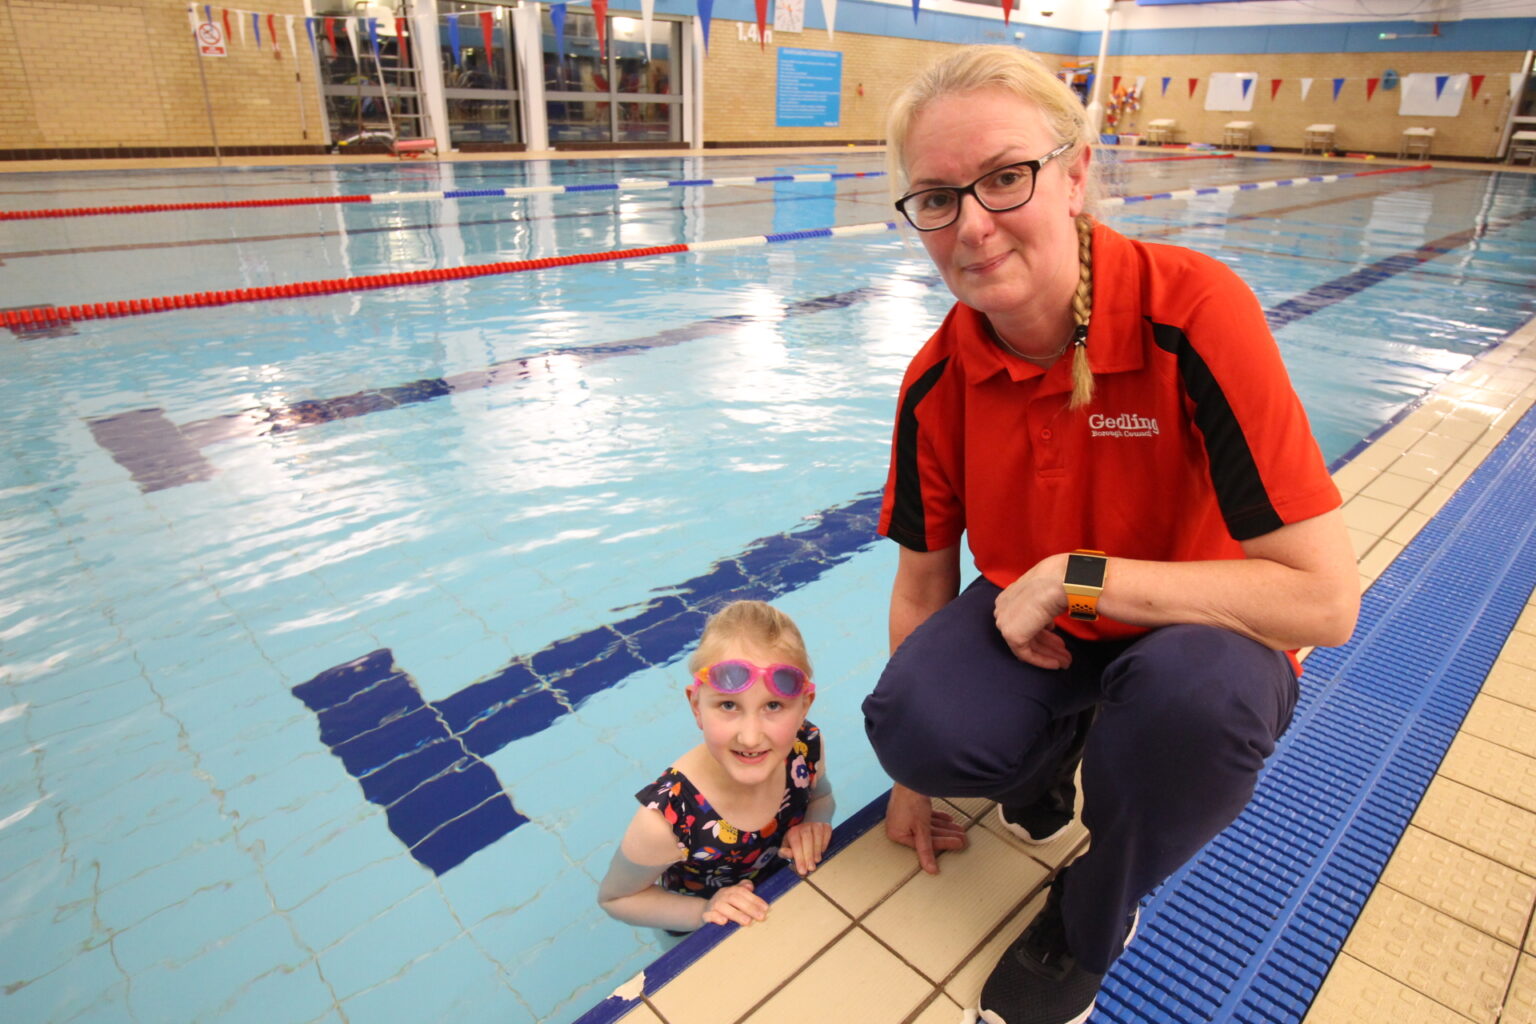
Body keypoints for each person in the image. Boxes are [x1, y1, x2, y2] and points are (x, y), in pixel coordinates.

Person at [860, 46, 1360, 1024]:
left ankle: (1095, 905)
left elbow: (1326, 599)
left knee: (1192, 708)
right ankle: (1063, 737)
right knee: (917, 721)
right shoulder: (937, 377)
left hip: (1201, 637)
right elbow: (924, 584)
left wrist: (1076, 577)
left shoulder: (1195, 314)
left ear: (1078, 170)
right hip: (1042, 633)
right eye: (936, 197)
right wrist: (911, 778)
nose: (972, 224)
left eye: (1006, 178)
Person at [598, 601, 835, 932]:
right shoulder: (670, 817)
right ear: (696, 706)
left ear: (803, 707)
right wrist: (705, 911)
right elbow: (617, 899)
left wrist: (813, 823)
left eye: (773, 705)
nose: (751, 737)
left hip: (782, 898)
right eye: (728, 705)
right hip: (701, 927)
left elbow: (822, 799)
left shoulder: (805, 749)